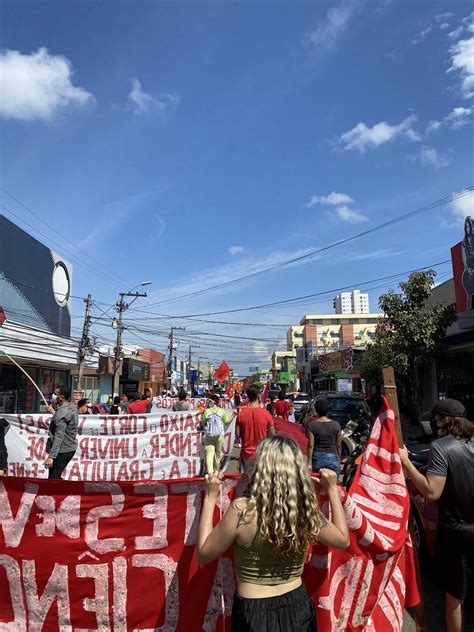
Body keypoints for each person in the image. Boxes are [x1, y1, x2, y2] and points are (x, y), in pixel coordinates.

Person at [196, 435, 349, 631]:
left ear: (260, 469)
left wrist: (210, 497)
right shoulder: (304, 512)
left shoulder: (242, 512)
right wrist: (333, 490)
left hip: (254, 614)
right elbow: (342, 540)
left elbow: (203, 554)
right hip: (298, 607)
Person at [399, 399, 474, 632]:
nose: (434, 424)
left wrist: (407, 464)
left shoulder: (441, 447)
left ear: (445, 421)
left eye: (436, 419)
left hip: (456, 535)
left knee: (454, 599)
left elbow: (432, 491)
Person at [236, 386, 275, 476]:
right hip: (262, 454)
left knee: (247, 483)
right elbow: (273, 436)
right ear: (258, 396)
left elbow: (237, 434)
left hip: (246, 455)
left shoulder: (241, 414)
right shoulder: (266, 414)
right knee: (262, 482)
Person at [44, 387, 78, 479]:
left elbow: (59, 435)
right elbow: (62, 418)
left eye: (55, 394)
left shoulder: (62, 412)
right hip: (69, 448)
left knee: (53, 479)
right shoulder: (70, 406)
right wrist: (52, 411)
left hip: (63, 450)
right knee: (54, 477)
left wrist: (51, 457)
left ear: (61, 397)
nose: (53, 396)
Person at [307, 397, 341, 477]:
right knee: (333, 486)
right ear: (328, 410)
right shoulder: (336, 425)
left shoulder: (312, 425)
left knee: (318, 487)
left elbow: (310, 446)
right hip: (333, 459)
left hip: (318, 459)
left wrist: (309, 462)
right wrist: (338, 459)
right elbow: (338, 445)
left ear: (316, 410)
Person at [199, 394, 232, 474]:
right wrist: (233, 415)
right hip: (219, 436)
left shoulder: (207, 411)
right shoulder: (222, 411)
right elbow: (227, 421)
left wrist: (203, 413)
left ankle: (210, 473)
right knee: (217, 455)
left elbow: (202, 422)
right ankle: (216, 472)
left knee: (209, 455)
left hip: (209, 436)